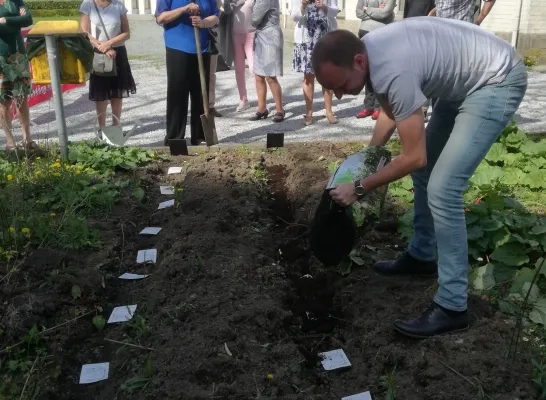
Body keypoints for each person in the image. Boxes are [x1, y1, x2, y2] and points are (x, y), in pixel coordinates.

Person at [311, 18, 527, 338]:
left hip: (496, 80)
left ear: (358, 61)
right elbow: (391, 111)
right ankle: (422, 256)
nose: (340, 96)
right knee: (429, 175)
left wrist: (359, 186)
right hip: (464, 83)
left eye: (340, 86)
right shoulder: (373, 56)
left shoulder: (392, 67)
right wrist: (368, 159)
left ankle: (453, 306)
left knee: (444, 188)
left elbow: (414, 156)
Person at [156, 0, 219, 146]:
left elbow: (215, 16)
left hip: (202, 47)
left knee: (200, 93)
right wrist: (184, 9)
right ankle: (175, 138)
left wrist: (202, 23)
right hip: (177, 46)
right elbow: (161, 18)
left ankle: (200, 136)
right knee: (178, 93)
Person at [80, 0, 136, 138]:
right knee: (100, 93)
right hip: (98, 53)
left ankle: (116, 127)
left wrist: (109, 44)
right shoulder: (87, 5)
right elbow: (84, 33)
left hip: (118, 52)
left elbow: (126, 33)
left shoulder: (119, 6)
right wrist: (103, 47)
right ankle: (102, 128)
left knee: (117, 92)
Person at [291, 0, 338, 126]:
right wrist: (303, 5)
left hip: (326, 39)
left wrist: (324, 6)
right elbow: (294, 17)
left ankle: (329, 111)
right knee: (308, 76)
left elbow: (335, 11)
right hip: (306, 41)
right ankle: (309, 113)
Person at [0, 0, 33, 151]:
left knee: (22, 97)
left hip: (19, 55)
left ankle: (27, 139)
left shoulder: (16, 1)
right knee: (3, 100)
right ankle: (10, 142)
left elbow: (28, 19)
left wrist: (6, 20)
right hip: (1, 57)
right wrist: (16, 22)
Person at [354, 0, 395, 120]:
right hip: (364, 33)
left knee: (379, 71)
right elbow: (358, 12)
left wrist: (367, 9)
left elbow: (384, 14)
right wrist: (377, 10)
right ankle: (369, 106)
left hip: (381, 34)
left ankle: (379, 107)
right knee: (367, 72)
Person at [250, 0, 284, 122]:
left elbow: (254, 19)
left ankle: (280, 110)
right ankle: (262, 108)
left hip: (270, 36)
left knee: (270, 76)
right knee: (259, 75)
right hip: (261, 35)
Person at [223, 0, 255, 112]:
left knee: (253, 68)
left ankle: (262, 99)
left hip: (251, 34)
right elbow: (226, 10)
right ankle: (243, 99)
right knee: (239, 70)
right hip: (236, 35)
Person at [208, 0, 223, 118]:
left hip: (211, 37)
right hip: (193, 35)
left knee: (211, 74)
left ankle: (210, 105)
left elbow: (218, 9)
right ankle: (198, 105)